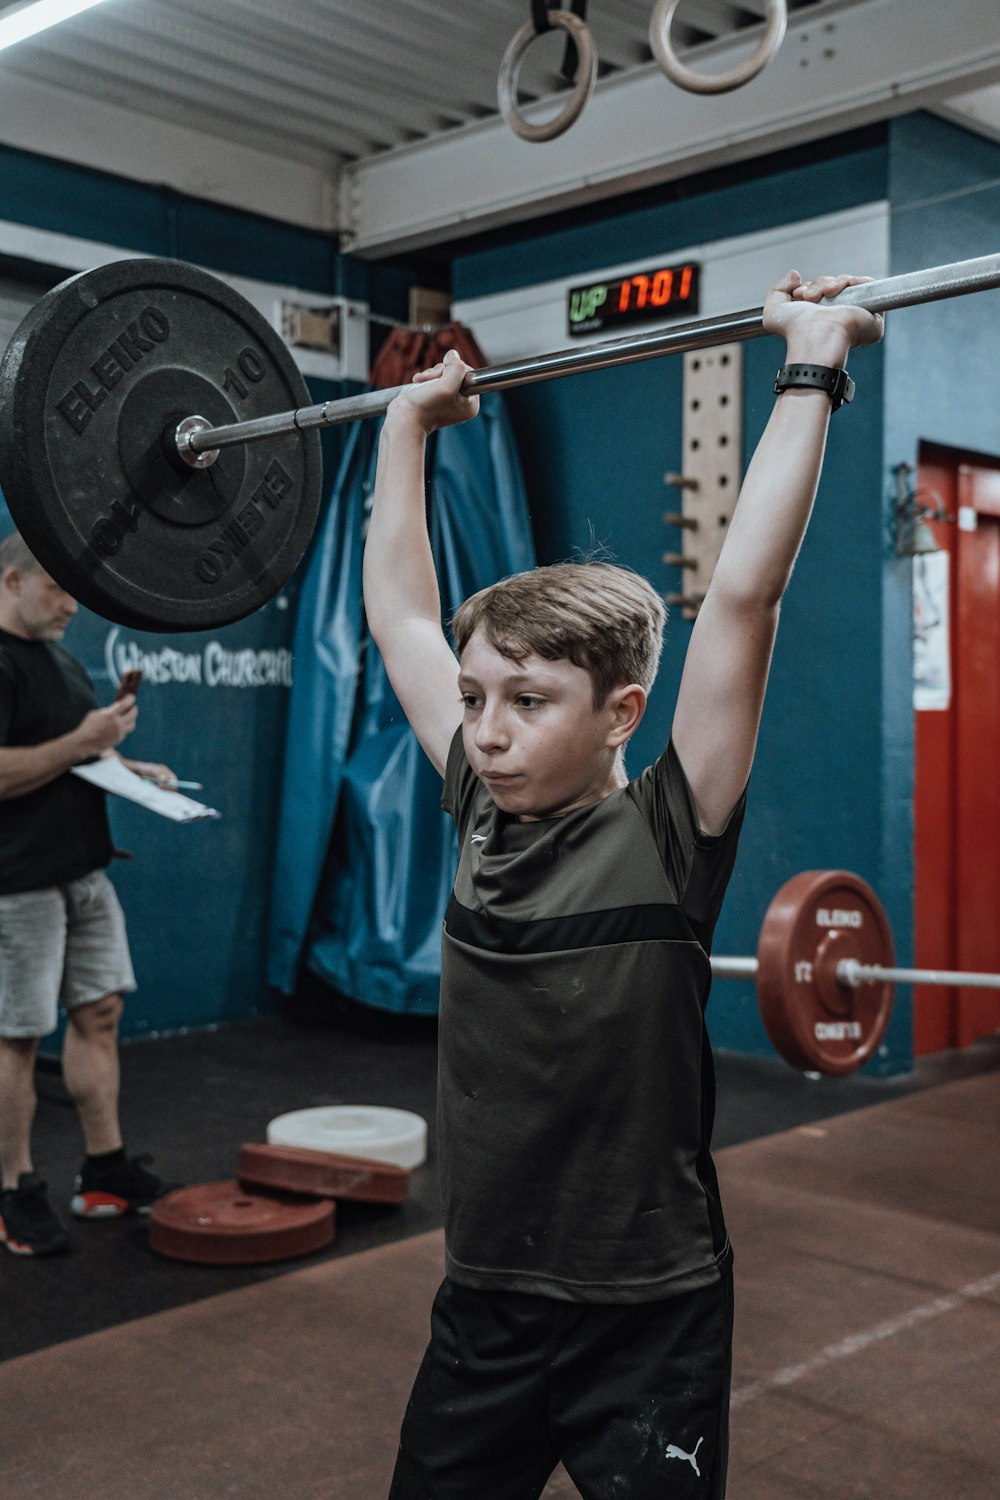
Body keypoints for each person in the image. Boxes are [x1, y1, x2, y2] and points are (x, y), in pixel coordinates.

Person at [363, 266, 883, 1498]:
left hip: (647, 1309)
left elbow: (744, 597)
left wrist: (809, 365)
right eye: (478, 700)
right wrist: (402, 431)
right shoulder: (477, 803)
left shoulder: (669, 829)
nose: (485, 730)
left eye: (528, 703)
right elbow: (399, 615)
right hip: (485, 1293)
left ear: (621, 715)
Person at [0, 532, 177, 1257]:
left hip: (84, 871)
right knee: (16, 1039)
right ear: (12, 581)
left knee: (100, 1012)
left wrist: (130, 767)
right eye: (58, 590)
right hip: (16, 882)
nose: (72, 605)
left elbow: (76, 754)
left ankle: (103, 1170)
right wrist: (84, 744)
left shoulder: (62, 661)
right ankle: (13, 1192)